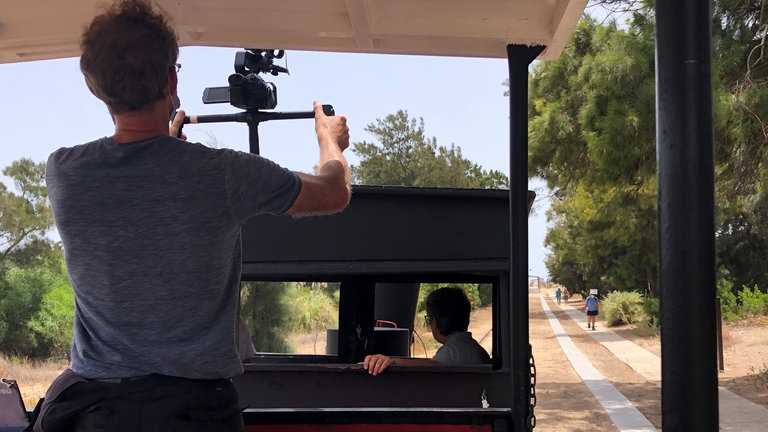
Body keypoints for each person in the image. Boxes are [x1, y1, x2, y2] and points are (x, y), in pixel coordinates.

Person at [37, 0, 351, 430]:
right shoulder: (223, 174)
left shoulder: (65, 172)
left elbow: (142, 185)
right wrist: (330, 141)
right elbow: (334, 192)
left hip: (101, 413)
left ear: (94, 87)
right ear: (171, 78)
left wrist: (166, 145)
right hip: (197, 411)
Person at [362, 287, 491, 376]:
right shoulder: (467, 346)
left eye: (429, 319)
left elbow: (434, 366)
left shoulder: (454, 350)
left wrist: (393, 362)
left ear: (435, 320)